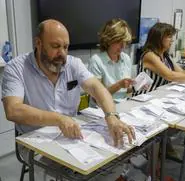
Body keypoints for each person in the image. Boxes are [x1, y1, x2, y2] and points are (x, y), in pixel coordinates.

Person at [1, 19, 135, 146]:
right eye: (55, 46)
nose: (62, 53)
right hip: (35, 139)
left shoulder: (73, 63)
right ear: (38, 43)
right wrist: (59, 119)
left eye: (66, 47)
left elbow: (96, 87)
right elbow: (13, 110)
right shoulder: (16, 68)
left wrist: (111, 116)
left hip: (71, 135)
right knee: (62, 169)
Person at [134, 22, 185, 96]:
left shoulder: (165, 55)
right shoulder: (149, 55)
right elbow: (170, 76)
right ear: (159, 38)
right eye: (169, 37)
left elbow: (181, 72)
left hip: (158, 95)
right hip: (145, 96)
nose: (172, 40)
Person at [88, 18, 134, 103]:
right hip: (102, 109)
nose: (123, 46)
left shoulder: (126, 58)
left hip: (123, 105)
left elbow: (125, 91)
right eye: (119, 41)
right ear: (109, 39)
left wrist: (136, 86)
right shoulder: (96, 60)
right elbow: (96, 97)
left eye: (125, 42)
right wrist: (119, 85)